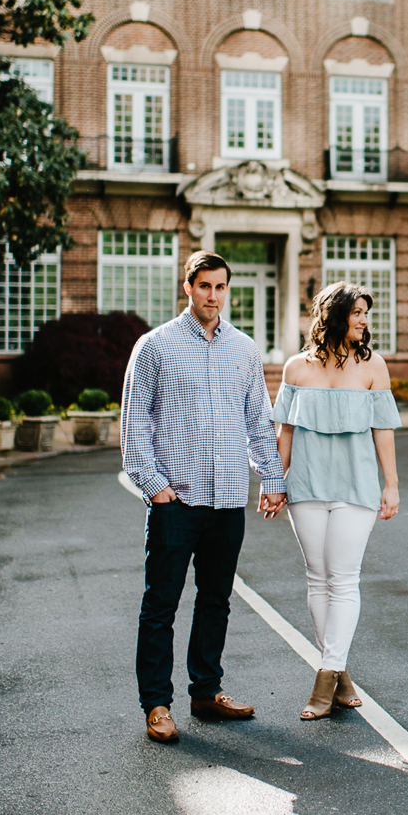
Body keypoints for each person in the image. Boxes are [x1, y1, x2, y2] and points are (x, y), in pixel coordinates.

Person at [122, 249, 286, 744]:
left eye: (220, 287)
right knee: (161, 606)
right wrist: (157, 488)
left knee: (216, 600)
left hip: (228, 499)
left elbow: (259, 420)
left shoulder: (243, 348)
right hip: (178, 501)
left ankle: (205, 693)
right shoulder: (155, 347)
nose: (213, 296)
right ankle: (156, 705)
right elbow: (133, 427)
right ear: (188, 287)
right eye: (204, 286)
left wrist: (272, 479)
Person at [261, 280, 401, 720]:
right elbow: (285, 432)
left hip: (356, 487)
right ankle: (338, 670)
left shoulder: (373, 366)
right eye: (357, 312)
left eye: (366, 313)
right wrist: (274, 482)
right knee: (317, 577)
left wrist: (391, 484)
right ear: (335, 315)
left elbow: (383, 430)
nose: (364, 321)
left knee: (343, 578)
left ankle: (325, 677)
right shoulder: (296, 369)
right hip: (305, 485)